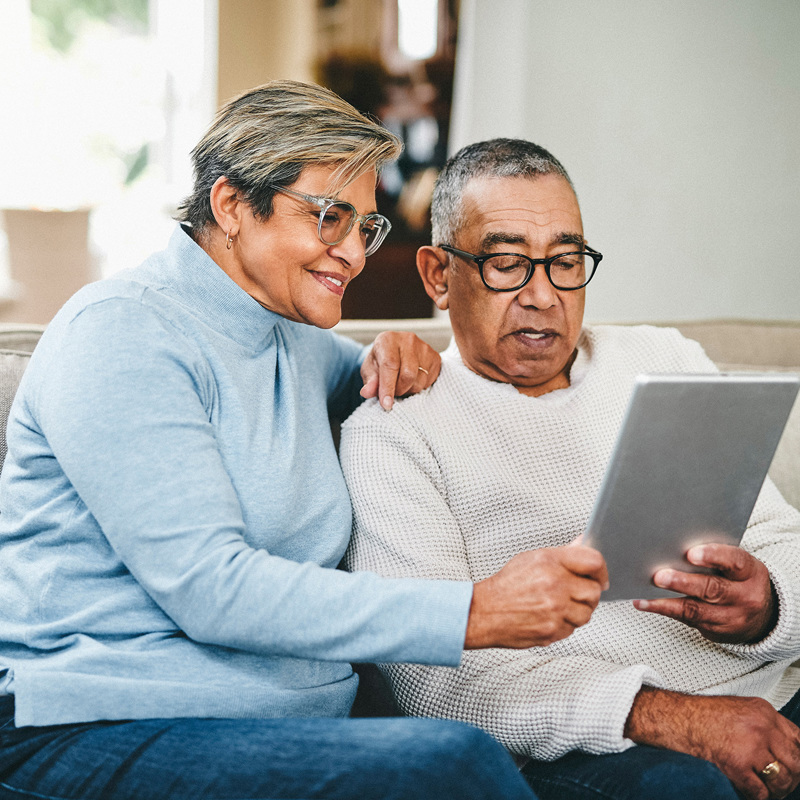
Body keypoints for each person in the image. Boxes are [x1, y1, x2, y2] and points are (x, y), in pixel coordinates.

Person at [0, 86, 611, 800]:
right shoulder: (121, 332)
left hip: (289, 723)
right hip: (96, 725)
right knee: (454, 763)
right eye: (329, 218)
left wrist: (397, 351)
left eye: (367, 227)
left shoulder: (295, 341)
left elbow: (397, 383)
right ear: (230, 206)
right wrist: (472, 612)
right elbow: (212, 589)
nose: (352, 253)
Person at [341, 137, 800, 800]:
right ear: (438, 274)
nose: (543, 295)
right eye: (506, 263)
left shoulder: (661, 357)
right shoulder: (396, 431)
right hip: (603, 742)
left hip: (776, 686)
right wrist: (668, 716)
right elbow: (432, 680)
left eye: (565, 261)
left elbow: (783, 538)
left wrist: (768, 606)